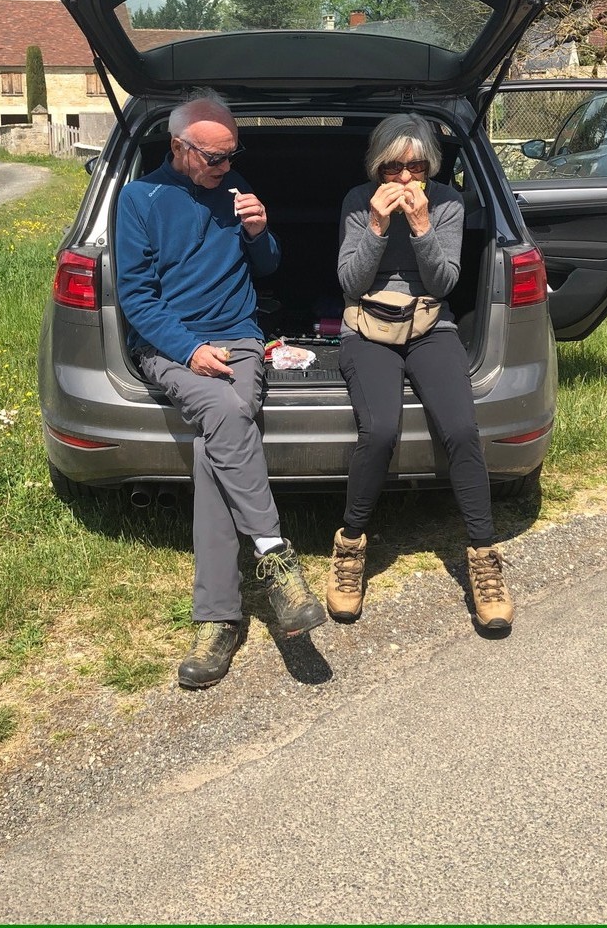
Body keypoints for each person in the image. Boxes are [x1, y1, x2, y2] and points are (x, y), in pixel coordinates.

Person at [115, 90, 325, 689]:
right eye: (214, 158)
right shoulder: (139, 199)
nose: (225, 166)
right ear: (179, 148)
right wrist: (187, 350)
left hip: (239, 339)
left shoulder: (235, 187)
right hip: (170, 345)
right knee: (226, 415)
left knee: (216, 447)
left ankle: (218, 620)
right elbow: (136, 298)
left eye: (232, 155)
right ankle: (276, 557)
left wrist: (260, 233)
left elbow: (268, 267)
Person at [329, 113, 514, 631]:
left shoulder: (447, 202)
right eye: (394, 167)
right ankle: (349, 547)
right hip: (368, 326)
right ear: (377, 167)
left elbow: (444, 281)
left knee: (461, 430)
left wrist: (421, 226)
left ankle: (484, 558)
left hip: (431, 323)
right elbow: (349, 282)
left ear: (431, 167)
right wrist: (377, 225)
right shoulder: (357, 201)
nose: (406, 178)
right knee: (380, 430)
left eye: (417, 167)